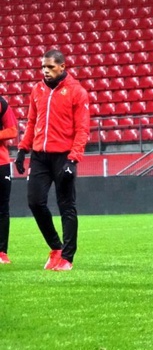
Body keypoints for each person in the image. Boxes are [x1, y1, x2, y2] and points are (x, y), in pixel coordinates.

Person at [15, 49, 90, 271]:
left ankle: (67, 258)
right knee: (35, 202)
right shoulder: (37, 90)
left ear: (62, 67)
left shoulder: (77, 92)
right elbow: (31, 122)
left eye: (50, 67)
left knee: (66, 206)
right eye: (43, 67)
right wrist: (22, 149)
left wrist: (73, 159)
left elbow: (82, 129)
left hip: (64, 157)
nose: (45, 71)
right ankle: (55, 248)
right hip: (39, 156)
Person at [0, 96, 19, 264]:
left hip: (1, 163)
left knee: (2, 209)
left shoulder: (1, 103)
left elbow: (12, 130)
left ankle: (1, 253)